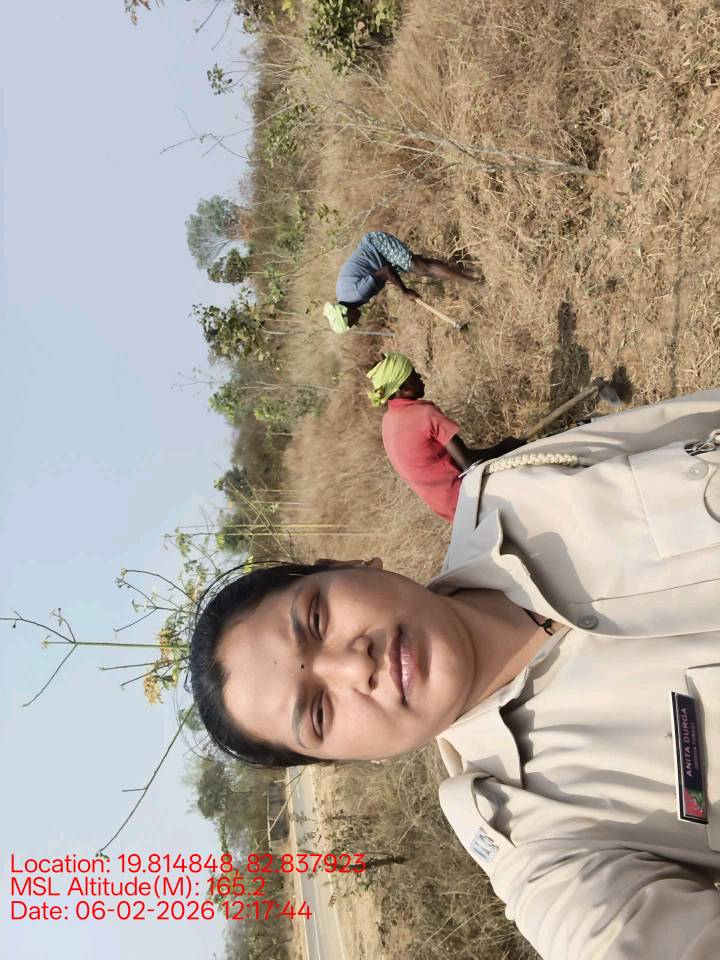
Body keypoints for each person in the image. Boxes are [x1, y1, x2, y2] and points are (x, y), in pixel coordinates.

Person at [189, 387, 720, 959]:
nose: (354, 664)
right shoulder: (539, 842)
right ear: (350, 759)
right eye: (319, 711)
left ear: (344, 565)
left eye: (316, 619)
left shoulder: (517, 490)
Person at [366, 352, 526, 521]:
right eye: (413, 374)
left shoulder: (388, 422)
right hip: (470, 499)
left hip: (449, 511)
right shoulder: (425, 415)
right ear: (404, 389)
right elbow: (468, 463)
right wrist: (505, 447)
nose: (419, 376)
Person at [324, 230, 480, 334]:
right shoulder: (345, 296)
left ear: (346, 312)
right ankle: (468, 272)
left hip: (377, 245)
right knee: (423, 266)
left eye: (350, 322)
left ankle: (475, 282)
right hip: (379, 255)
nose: (355, 323)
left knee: (421, 269)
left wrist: (405, 291)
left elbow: (386, 271)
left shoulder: (358, 293)